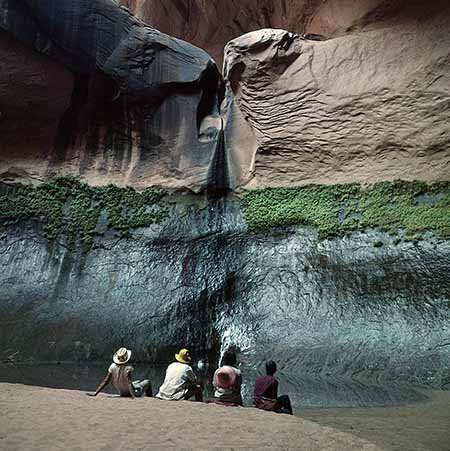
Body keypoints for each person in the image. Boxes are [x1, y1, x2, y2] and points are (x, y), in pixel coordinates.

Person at [87, 347, 152, 398]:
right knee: (147, 382)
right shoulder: (128, 367)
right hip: (132, 392)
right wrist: (133, 396)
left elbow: (105, 381)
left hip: (121, 392)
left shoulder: (112, 366)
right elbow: (128, 382)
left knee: (136, 382)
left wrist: (96, 393)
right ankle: (150, 398)